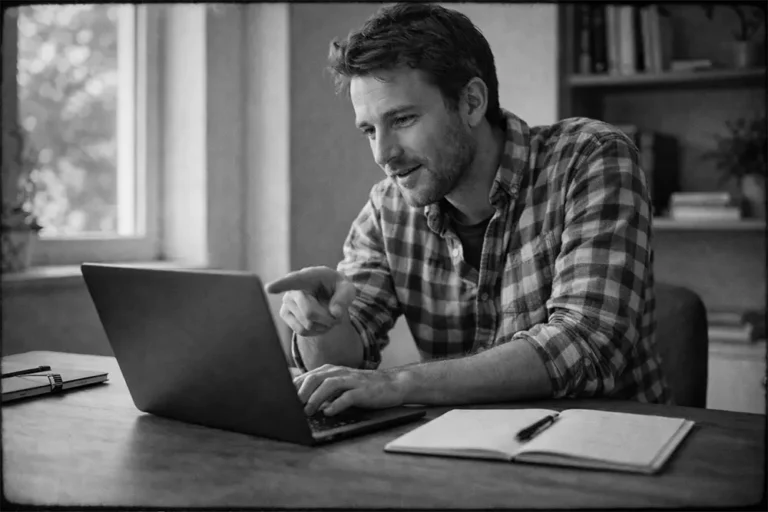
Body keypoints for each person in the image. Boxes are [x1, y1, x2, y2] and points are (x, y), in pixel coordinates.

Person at [266, 2, 671, 417]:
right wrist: (322, 324)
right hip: (462, 457)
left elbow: (587, 346)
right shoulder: (388, 206)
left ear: (472, 102)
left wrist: (397, 383)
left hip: (610, 451)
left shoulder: (589, 157)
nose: (383, 155)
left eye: (402, 119)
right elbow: (341, 364)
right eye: (370, 130)